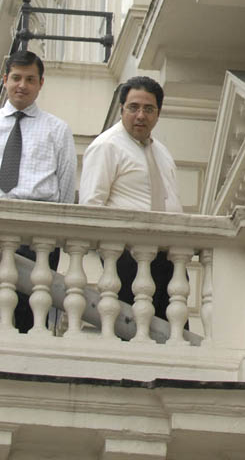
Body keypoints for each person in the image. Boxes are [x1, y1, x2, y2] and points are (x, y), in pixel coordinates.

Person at [79, 75, 183, 323]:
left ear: (158, 113)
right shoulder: (107, 146)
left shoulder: (162, 152)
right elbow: (91, 207)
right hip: (126, 259)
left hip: (166, 259)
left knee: (173, 332)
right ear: (122, 109)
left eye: (149, 109)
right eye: (133, 107)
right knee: (133, 330)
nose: (141, 115)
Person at [0, 51, 76, 332]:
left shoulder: (57, 129)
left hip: (37, 237)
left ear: (41, 83)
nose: (22, 85)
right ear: (5, 80)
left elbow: (66, 186)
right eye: (16, 78)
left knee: (31, 316)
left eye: (30, 79)